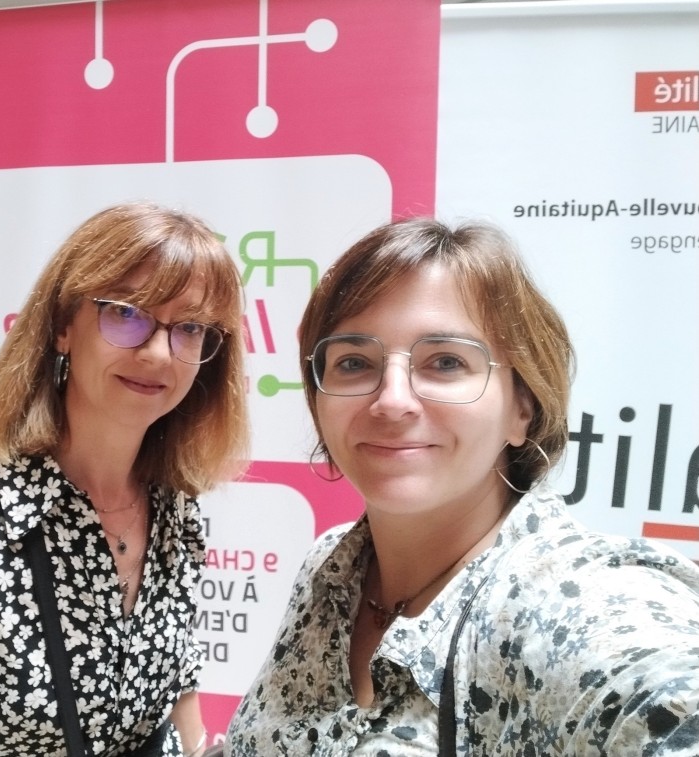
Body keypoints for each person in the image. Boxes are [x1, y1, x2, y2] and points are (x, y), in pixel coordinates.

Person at [226, 217, 699, 755]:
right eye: (354, 363)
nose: (392, 401)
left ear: (522, 408)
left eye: (446, 362)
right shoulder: (331, 568)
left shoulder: (574, 608)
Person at [0, 202, 249, 756]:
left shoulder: (175, 506)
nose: (159, 352)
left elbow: (178, 672)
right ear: (63, 326)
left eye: (189, 327)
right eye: (126, 313)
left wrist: (197, 746)